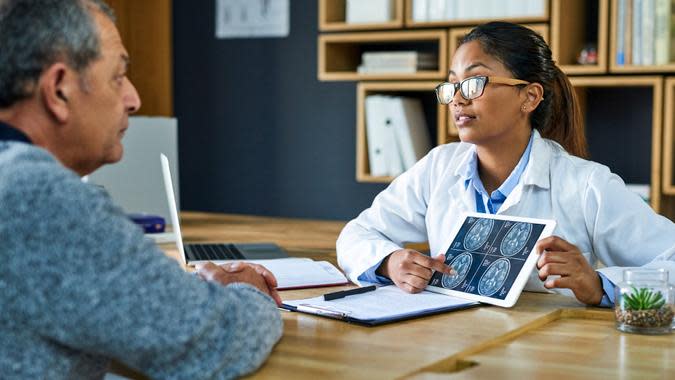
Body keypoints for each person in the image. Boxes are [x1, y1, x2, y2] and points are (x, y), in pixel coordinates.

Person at [0, 0, 282, 378]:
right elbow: (212, 344)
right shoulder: (36, 195)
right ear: (59, 90)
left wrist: (168, 290)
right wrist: (251, 291)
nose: (133, 99)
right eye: (118, 77)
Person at [337, 22, 675, 306]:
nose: (457, 98)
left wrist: (599, 285)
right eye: (452, 84)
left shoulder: (588, 186)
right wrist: (389, 261)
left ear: (529, 96)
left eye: (474, 82)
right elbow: (356, 234)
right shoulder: (438, 167)